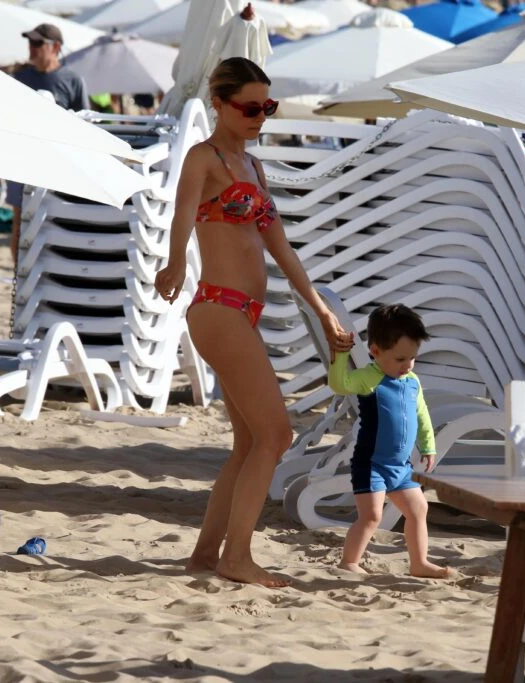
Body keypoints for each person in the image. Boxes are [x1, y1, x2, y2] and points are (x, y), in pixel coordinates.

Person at [153, 57, 354, 588]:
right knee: (276, 434)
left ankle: (205, 555)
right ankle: (237, 556)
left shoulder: (255, 168)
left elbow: (281, 249)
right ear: (219, 104)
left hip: (243, 313)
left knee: (248, 445)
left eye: (267, 106)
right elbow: (181, 214)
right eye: (249, 106)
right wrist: (175, 262)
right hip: (217, 308)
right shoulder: (205, 157)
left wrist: (321, 308)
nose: (259, 116)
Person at [327, 304, 456, 579]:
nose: (407, 365)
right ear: (375, 351)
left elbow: (421, 414)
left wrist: (428, 444)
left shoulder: (412, 381)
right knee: (372, 516)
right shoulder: (368, 379)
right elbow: (339, 385)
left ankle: (419, 562)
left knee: (419, 508)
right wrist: (340, 356)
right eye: (400, 359)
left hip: (399, 466)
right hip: (371, 463)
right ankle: (349, 562)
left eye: (412, 358)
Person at [6, 23, 90, 266]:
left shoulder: (73, 80)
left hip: (59, 167)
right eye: (30, 42)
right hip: (22, 162)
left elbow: (86, 128)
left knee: (54, 226)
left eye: (37, 43)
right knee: (20, 226)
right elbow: (8, 120)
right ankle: (20, 280)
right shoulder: (20, 77)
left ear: (55, 47)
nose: (31, 48)